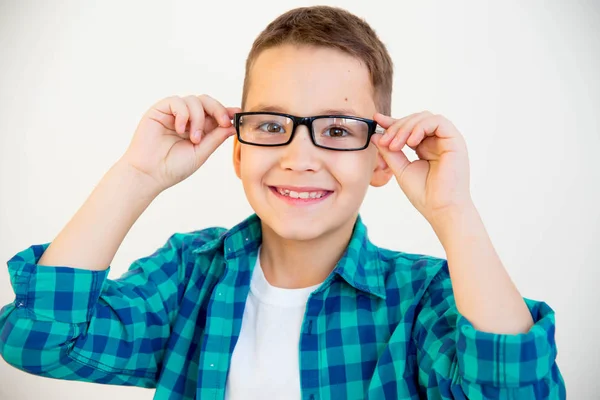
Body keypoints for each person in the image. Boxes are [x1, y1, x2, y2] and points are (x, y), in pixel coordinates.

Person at [0, 5, 565, 400]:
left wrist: (454, 213)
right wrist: (136, 175)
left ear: (381, 159)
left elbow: (516, 391)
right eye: (271, 125)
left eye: (339, 131)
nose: (299, 157)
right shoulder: (187, 275)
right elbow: (41, 341)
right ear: (238, 151)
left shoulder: (427, 299)